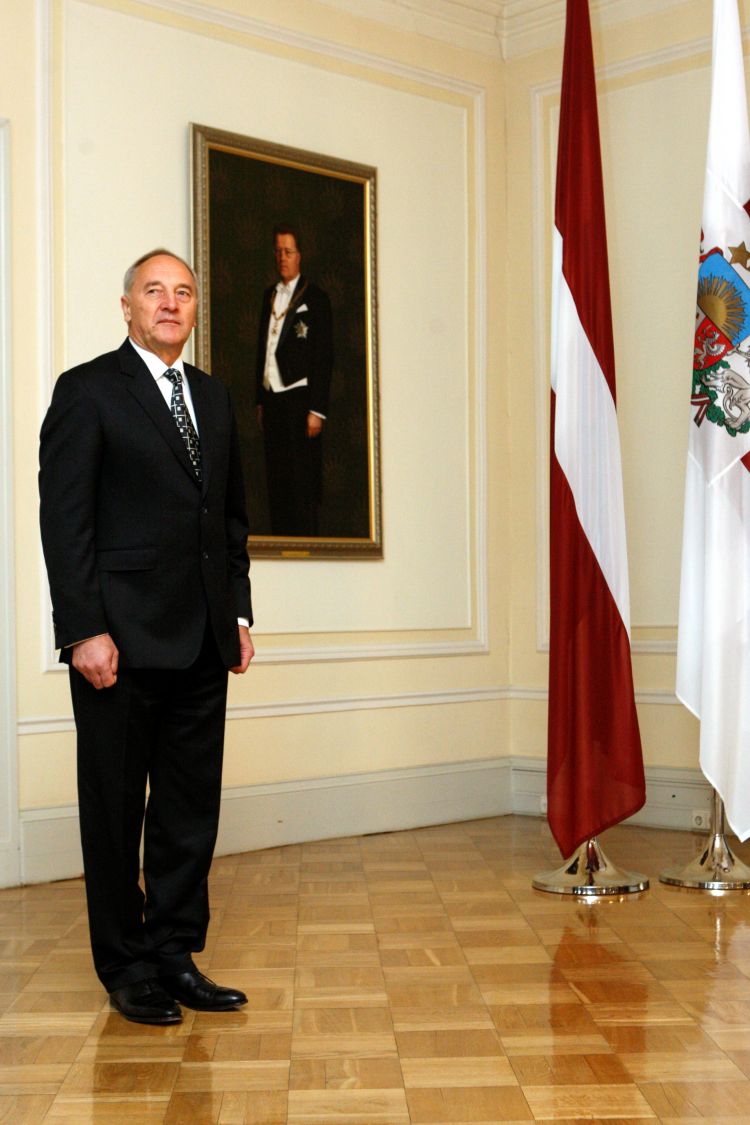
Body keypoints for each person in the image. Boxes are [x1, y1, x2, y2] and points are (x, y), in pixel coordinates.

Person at [39, 249, 254, 1025]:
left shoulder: (214, 398)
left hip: (202, 641)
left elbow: (228, 520)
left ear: (195, 309)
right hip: (118, 646)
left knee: (188, 812)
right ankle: (125, 966)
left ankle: (173, 953)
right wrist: (82, 630)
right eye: (154, 290)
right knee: (115, 810)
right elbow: (66, 522)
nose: (170, 303)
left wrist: (237, 614)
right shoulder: (88, 390)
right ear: (126, 306)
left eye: (183, 292)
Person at [255, 223, 333, 536]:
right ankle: (280, 540)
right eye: (278, 252)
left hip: (300, 400)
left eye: (288, 251)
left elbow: (324, 356)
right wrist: (260, 399)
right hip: (272, 398)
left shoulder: (316, 298)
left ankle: (307, 543)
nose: (282, 258)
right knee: (277, 478)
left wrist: (317, 409)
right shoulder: (269, 296)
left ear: (300, 255)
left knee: (301, 479)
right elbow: (261, 349)